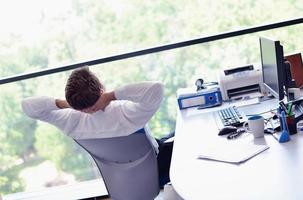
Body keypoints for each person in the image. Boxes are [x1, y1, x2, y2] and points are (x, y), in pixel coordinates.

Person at [21, 67, 173, 188]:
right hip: (155, 167)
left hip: (119, 177)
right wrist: (110, 96)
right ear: (101, 89)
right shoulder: (125, 113)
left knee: (171, 136)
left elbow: (27, 106)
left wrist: (66, 104)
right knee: (188, 135)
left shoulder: (70, 122)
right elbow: (156, 89)